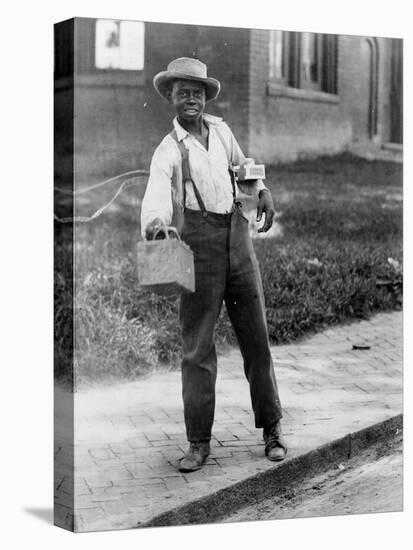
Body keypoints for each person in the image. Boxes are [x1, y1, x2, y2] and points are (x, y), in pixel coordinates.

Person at [141, 57, 287, 472]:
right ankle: (198, 441)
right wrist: (155, 224)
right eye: (183, 92)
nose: (192, 99)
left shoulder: (222, 132)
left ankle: (273, 428)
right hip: (199, 250)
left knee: (256, 339)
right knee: (198, 348)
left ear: (206, 97)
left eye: (198, 92)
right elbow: (155, 196)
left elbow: (245, 170)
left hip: (238, 243)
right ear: (170, 97)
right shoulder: (168, 150)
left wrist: (262, 191)